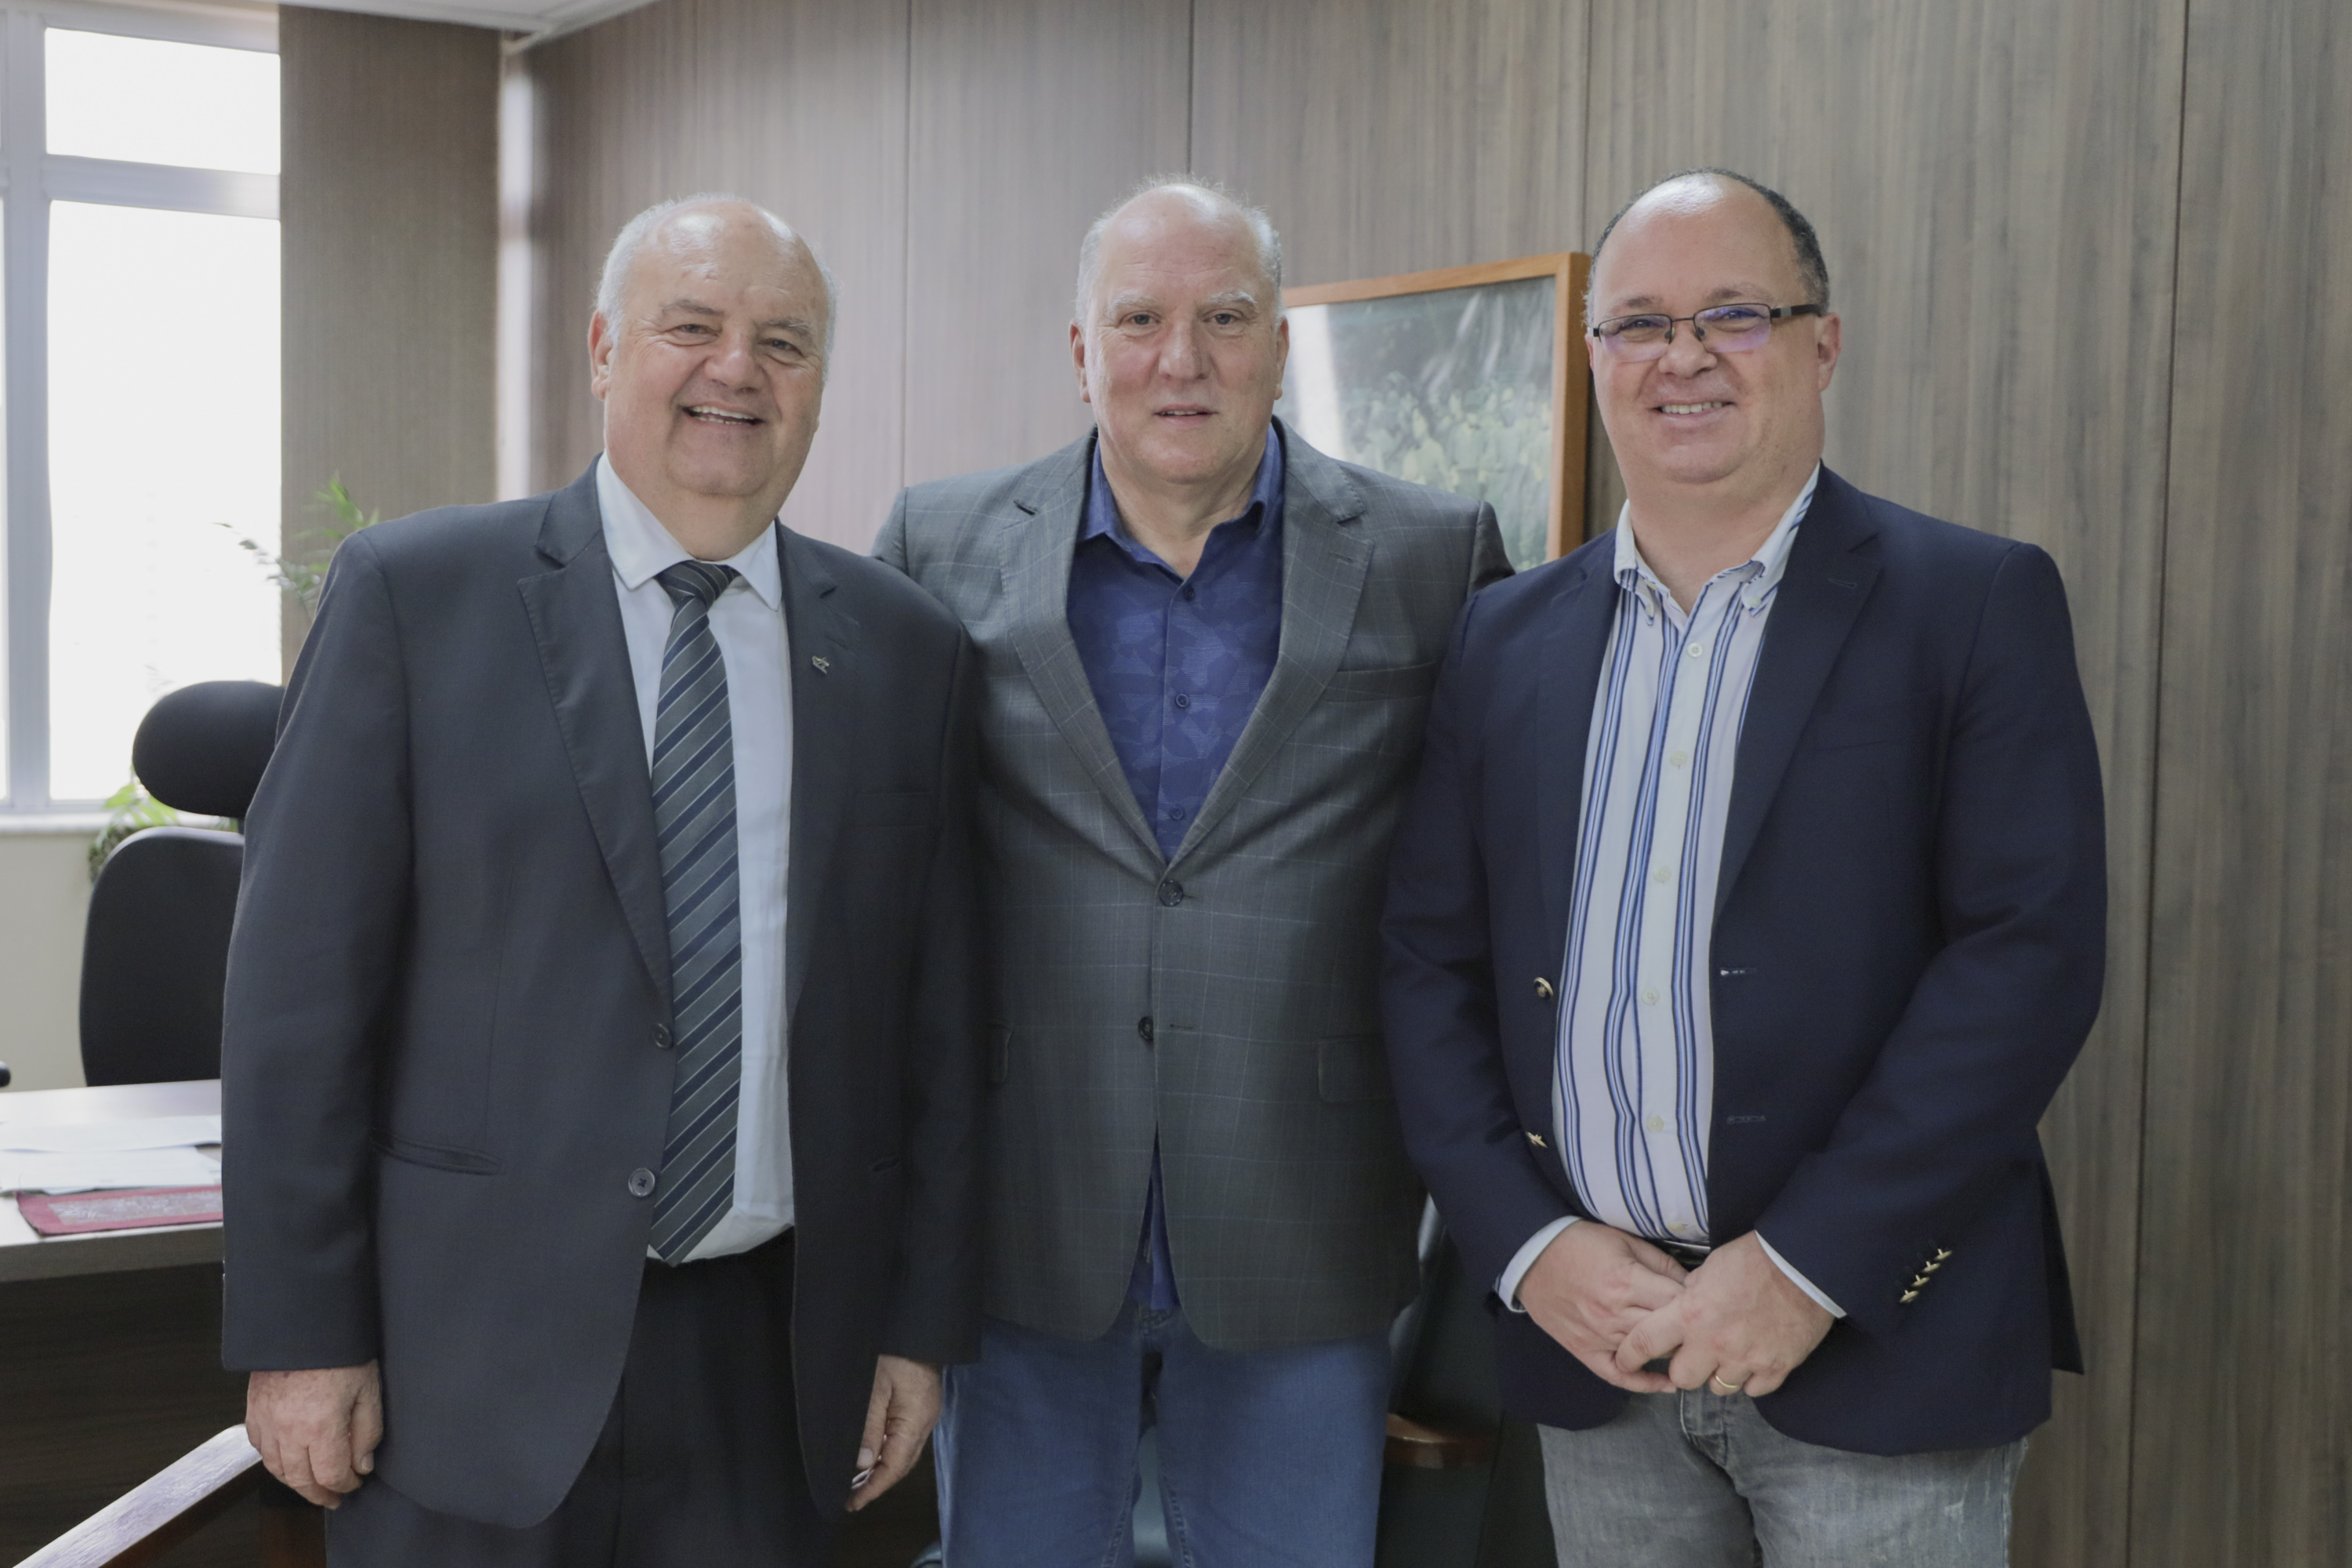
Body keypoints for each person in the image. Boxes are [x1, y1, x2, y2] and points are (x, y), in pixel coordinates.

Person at [220, 194, 981, 1566]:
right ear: (603, 349)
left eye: (784, 342)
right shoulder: (418, 596)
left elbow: (937, 1022)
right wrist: (302, 1334)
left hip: (777, 1361)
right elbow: (297, 1000)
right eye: (692, 327)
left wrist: (915, 1329)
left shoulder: (903, 648)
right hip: (463, 1363)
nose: (736, 370)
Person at [1380, 168, 2107, 1566]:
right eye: (1640, 325)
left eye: (1734, 314)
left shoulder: (1973, 604)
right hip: (1600, 1353)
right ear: (1596, 360)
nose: (1685, 358)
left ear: (1821, 343)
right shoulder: (1504, 639)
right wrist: (1533, 1250)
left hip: (1871, 1342)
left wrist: (1801, 1269)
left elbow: (2027, 960)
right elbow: (1428, 962)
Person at [874, 176, 1510, 1566]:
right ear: (1081, 348)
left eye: (1226, 316)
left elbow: (1477, 885)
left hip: (1307, 1203)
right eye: (1143, 319)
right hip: (1025, 1208)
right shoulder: (939, 542)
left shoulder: (1431, 553)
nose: (1185, 358)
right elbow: (888, 890)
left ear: (1279, 340)